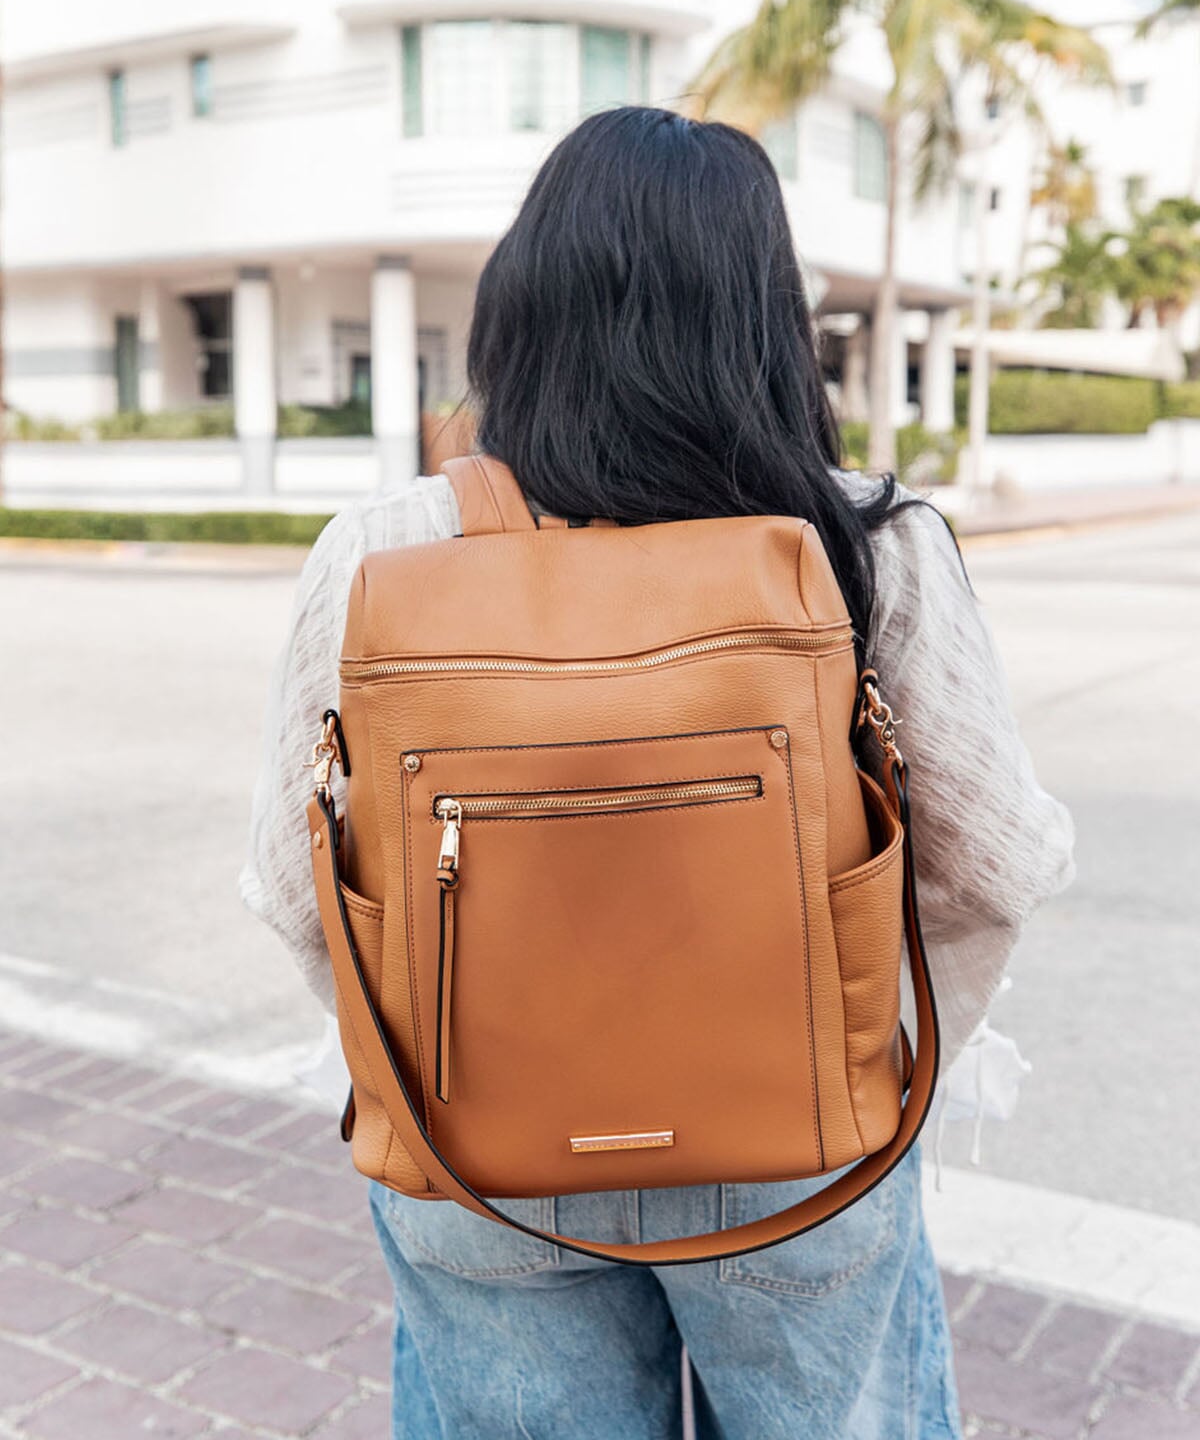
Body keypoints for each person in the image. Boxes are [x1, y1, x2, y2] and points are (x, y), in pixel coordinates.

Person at [241, 106, 1075, 1440]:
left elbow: (301, 885)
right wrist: (871, 1070)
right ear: (764, 310)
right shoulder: (867, 541)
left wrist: (426, 1064)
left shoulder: (388, 549)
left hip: (472, 1145)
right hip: (802, 1146)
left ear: (523, 300)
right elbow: (988, 871)